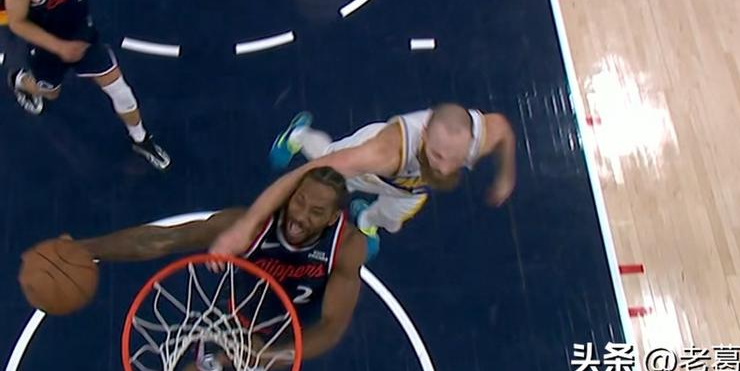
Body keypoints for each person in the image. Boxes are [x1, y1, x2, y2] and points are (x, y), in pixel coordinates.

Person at [73, 167, 366, 371]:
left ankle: (249, 368)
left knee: (247, 366)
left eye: (316, 212)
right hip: (239, 314)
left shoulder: (346, 246)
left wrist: (269, 356)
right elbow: (164, 239)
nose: (300, 216)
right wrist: (86, 249)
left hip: (293, 328)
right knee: (206, 370)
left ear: (332, 218)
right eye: (299, 201)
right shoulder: (249, 226)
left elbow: (331, 327)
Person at [212, 104, 516, 261]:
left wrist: (506, 177)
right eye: (437, 155)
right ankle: (298, 135)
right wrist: (244, 228)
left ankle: (367, 220)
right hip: (372, 170)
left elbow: (504, 130)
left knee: (392, 220)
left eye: (455, 159)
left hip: (409, 188)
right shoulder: (381, 152)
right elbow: (300, 177)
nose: (445, 168)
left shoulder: (476, 139)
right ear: (424, 135)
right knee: (324, 161)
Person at [6, 0, 170, 170]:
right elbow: (17, 23)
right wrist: (59, 47)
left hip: (83, 35)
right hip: (47, 49)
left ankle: (141, 139)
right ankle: (21, 81)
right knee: (50, 93)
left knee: (120, 89)